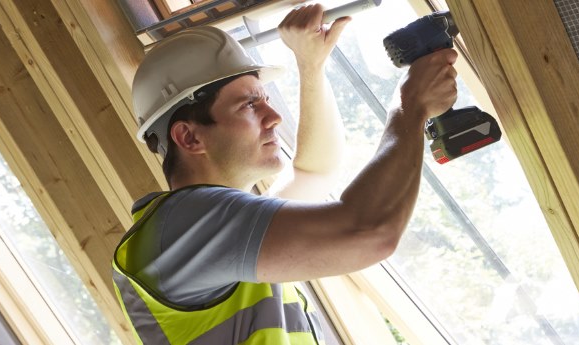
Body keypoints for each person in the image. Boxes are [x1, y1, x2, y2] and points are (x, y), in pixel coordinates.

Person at [112, 4, 458, 345]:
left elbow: (315, 170)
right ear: (189, 137)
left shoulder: (201, 233)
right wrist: (411, 106)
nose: (274, 116)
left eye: (264, 99)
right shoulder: (182, 229)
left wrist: (311, 66)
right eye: (249, 104)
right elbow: (368, 232)